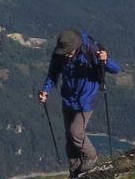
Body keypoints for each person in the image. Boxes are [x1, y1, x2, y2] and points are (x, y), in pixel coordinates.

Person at [38, 29, 121, 178]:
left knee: (76, 132)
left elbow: (115, 69)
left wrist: (105, 60)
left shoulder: (90, 50)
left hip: (86, 99)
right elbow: (53, 73)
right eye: (65, 52)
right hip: (68, 99)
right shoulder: (60, 55)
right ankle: (75, 171)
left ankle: (91, 156)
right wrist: (45, 91)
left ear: (76, 47)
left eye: (69, 52)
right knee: (70, 139)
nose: (67, 55)